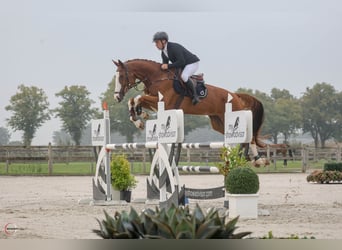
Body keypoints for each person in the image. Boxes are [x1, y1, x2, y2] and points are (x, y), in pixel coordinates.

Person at [153, 31, 200, 105]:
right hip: (183, 65)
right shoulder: (163, 52)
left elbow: (181, 62)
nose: (156, 45)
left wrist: (168, 66)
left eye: (157, 42)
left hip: (192, 63)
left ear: (164, 41)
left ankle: (195, 96)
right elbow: (165, 66)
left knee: (184, 76)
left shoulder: (174, 47)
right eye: (155, 43)